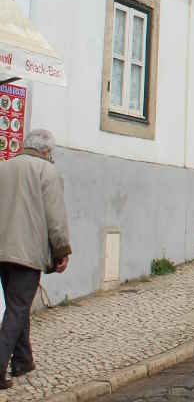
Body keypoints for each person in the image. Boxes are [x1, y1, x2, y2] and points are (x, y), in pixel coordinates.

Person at [0, 129, 71, 388]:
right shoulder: (47, 171)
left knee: (16, 305)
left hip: (2, 251)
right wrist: (62, 250)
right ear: (47, 151)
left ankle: (23, 360)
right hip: (27, 253)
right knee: (18, 308)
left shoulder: (4, 167)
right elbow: (55, 217)